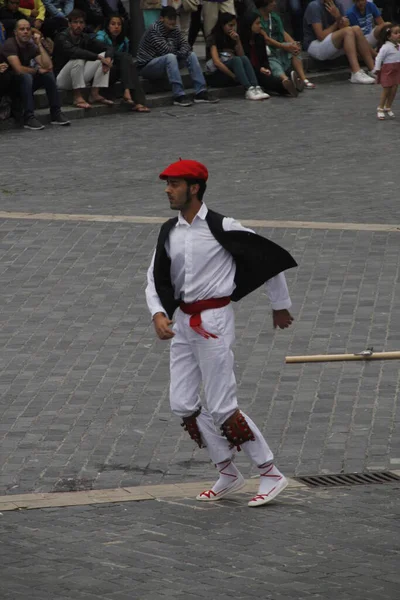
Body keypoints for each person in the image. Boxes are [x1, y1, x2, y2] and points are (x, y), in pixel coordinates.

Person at [145, 159, 297, 508]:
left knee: (221, 404)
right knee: (182, 402)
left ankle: (270, 471)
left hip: (213, 321)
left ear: (194, 188)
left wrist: (280, 305)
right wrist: (157, 312)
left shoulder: (222, 225)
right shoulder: (169, 231)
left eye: (174, 184)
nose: (167, 190)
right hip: (182, 321)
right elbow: (153, 276)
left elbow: (267, 259)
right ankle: (227, 471)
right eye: (167, 184)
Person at [137, 6, 219, 107]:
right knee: (170, 57)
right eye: (170, 18)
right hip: (147, 66)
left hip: (168, 63)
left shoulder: (174, 29)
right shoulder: (154, 29)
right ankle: (178, 95)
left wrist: (182, 52)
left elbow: (186, 45)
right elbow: (165, 51)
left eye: (174, 19)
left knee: (191, 55)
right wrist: (180, 52)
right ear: (161, 18)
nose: (173, 21)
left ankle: (201, 92)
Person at [0, 18, 69, 129]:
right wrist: (36, 70)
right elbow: (18, 69)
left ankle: (56, 113)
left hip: (25, 83)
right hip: (10, 86)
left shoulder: (30, 45)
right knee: (26, 76)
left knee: (48, 74)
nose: (26, 32)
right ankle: (29, 117)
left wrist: (39, 44)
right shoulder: (10, 44)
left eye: (28, 29)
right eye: (22, 29)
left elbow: (48, 66)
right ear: (15, 32)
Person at [303, 0, 376, 83]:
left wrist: (338, 17)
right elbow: (320, 36)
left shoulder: (338, 5)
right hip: (314, 45)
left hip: (332, 45)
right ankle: (356, 72)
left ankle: (373, 69)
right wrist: (338, 21)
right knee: (347, 31)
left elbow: (345, 28)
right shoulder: (314, 6)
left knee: (356, 29)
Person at [54, 9, 114, 109]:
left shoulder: (84, 37)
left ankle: (94, 94)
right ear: (69, 24)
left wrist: (107, 59)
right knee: (78, 59)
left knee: (104, 56)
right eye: (75, 22)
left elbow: (108, 47)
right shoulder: (61, 37)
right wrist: (97, 57)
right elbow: (74, 51)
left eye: (81, 22)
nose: (78, 25)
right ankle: (77, 97)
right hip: (62, 79)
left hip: (78, 74)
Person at [206, 12, 270, 99]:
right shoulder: (213, 37)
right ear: (222, 25)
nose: (232, 28)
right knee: (236, 60)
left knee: (243, 58)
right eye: (230, 25)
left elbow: (242, 56)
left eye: (234, 25)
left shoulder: (232, 37)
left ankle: (256, 87)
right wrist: (234, 76)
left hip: (232, 71)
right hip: (217, 73)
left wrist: (238, 41)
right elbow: (217, 62)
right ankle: (248, 89)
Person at [255, 0, 315, 90]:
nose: (275, 4)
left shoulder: (274, 16)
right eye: (272, 2)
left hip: (279, 47)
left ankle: (303, 79)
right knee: (273, 64)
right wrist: (285, 46)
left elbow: (282, 32)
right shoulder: (256, 18)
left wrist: (293, 44)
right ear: (264, 4)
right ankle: (287, 81)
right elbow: (266, 39)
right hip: (266, 50)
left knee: (294, 50)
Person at [95, 14, 150, 111]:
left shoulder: (124, 41)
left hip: (117, 72)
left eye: (119, 24)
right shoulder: (100, 37)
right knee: (125, 57)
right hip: (102, 73)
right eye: (113, 24)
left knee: (127, 61)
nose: (116, 27)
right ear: (107, 26)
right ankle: (133, 95)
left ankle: (130, 93)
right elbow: (101, 55)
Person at [240, 10, 299, 96]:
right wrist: (260, 69)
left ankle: (289, 85)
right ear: (249, 25)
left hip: (262, 69)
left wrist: (266, 69)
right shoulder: (242, 41)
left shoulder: (259, 38)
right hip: (252, 71)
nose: (260, 26)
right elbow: (246, 61)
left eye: (260, 23)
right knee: (267, 80)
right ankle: (288, 86)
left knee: (270, 77)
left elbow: (264, 59)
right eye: (257, 24)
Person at [373, 22, 400, 119]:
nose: (399, 35)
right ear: (388, 36)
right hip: (388, 70)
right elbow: (379, 58)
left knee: (394, 88)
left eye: (399, 32)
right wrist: (377, 68)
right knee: (387, 89)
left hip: (397, 69)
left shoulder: (398, 46)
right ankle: (380, 107)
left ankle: (388, 107)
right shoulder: (385, 47)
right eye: (396, 33)